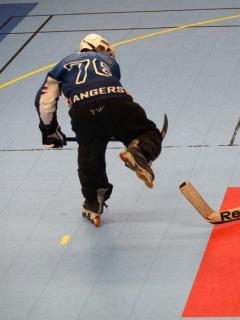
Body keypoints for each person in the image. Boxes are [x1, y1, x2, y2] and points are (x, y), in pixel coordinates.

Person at [34, 33, 166, 227]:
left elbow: (44, 100)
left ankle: (93, 200)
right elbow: (114, 90)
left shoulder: (62, 65)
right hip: (116, 102)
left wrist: (50, 131)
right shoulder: (109, 62)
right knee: (148, 133)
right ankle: (140, 152)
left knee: (90, 155)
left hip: (82, 111)